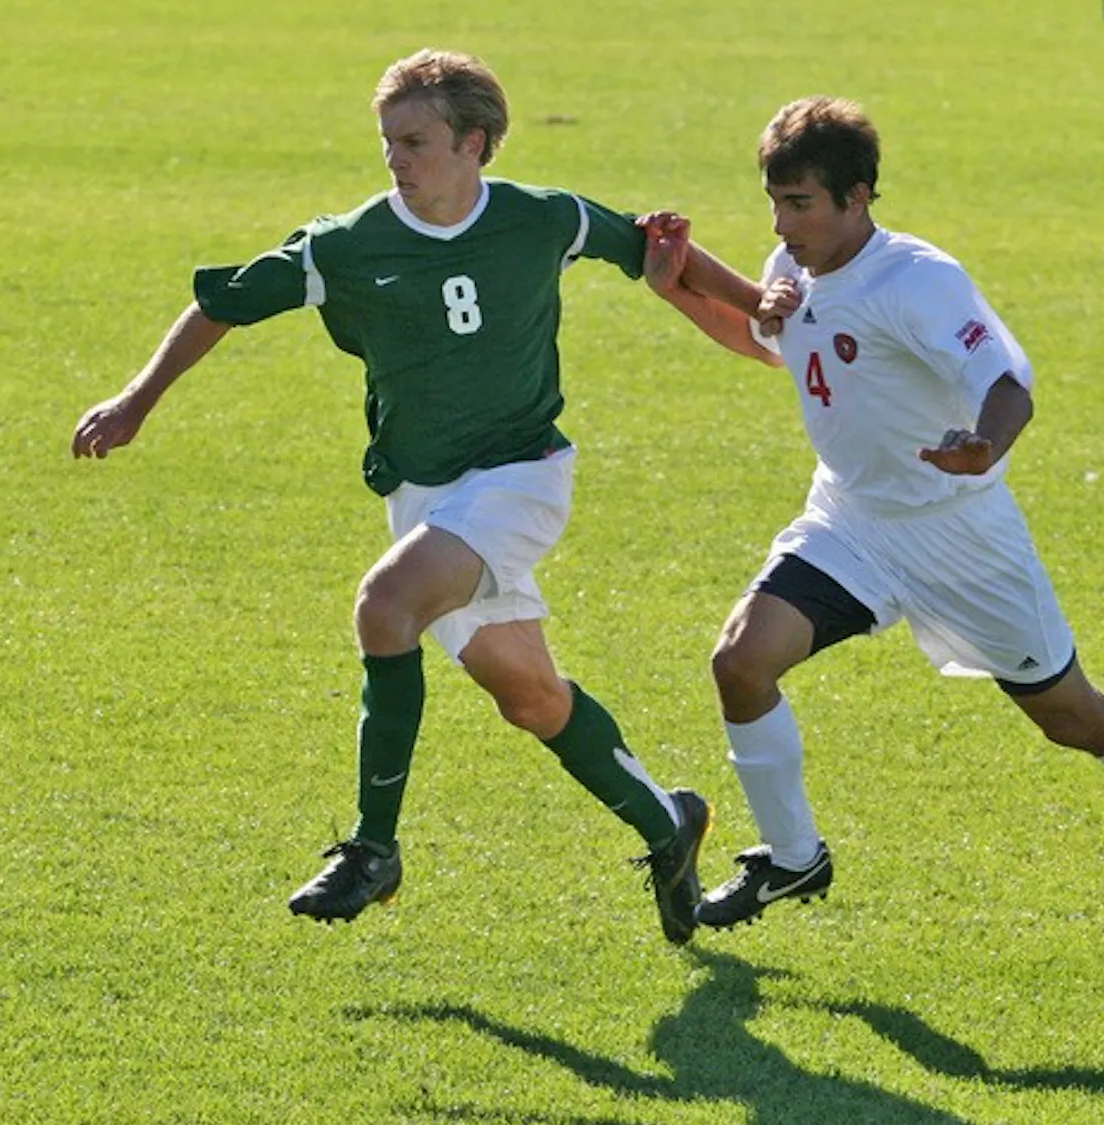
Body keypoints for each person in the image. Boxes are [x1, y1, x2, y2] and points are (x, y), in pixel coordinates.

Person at [71, 48, 710, 944]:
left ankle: (373, 851)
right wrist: (137, 402)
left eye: (415, 140)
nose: (395, 159)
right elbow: (222, 303)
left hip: (520, 478)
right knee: (531, 697)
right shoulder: (348, 243)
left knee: (385, 604)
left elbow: (655, 249)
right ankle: (667, 823)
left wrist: (764, 309)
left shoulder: (543, 219)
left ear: (476, 144)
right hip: (421, 496)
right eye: (387, 142)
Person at [637, 95, 1104, 944]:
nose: (783, 225)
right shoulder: (799, 266)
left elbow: (1008, 384)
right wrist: (681, 288)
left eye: (801, 204)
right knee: (742, 661)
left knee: (1071, 716)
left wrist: (984, 447)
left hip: (961, 537)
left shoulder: (918, 280)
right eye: (775, 202)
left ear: (858, 197)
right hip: (853, 520)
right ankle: (794, 857)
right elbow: (771, 342)